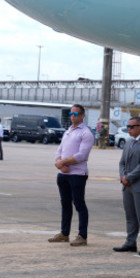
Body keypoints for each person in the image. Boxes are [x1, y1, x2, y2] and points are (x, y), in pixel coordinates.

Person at [48, 104, 94, 247]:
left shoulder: (86, 133)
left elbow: (82, 155)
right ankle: (64, 233)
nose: (73, 116)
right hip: (64, 174)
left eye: (76, 114)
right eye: (71, 114)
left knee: (79, 204)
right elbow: (59, 150)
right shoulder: (68, 131)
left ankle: (82, 236)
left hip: (77, 174)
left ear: (82, 116)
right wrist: (59, 162)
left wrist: (64, 162)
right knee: (65, 204)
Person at [113, 116, 140, 256]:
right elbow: (121, 163)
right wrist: (123, 177)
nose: (129, 129)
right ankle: (130, 242)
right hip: (128, 185)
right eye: (128, 126)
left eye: (132, 127)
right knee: (130, 215)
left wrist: (128, 177)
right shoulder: (129, 143)